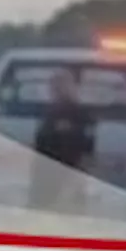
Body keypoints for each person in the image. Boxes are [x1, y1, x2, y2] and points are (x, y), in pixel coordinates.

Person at [28, 68, 96, 214]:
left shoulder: (78, 113)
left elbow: (85, 147)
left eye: (58, 86)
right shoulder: (50, 112)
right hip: (45, 173)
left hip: (64, 173)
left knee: (65, 215)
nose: (54, 90)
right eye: (53, 86)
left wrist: (76, 179)